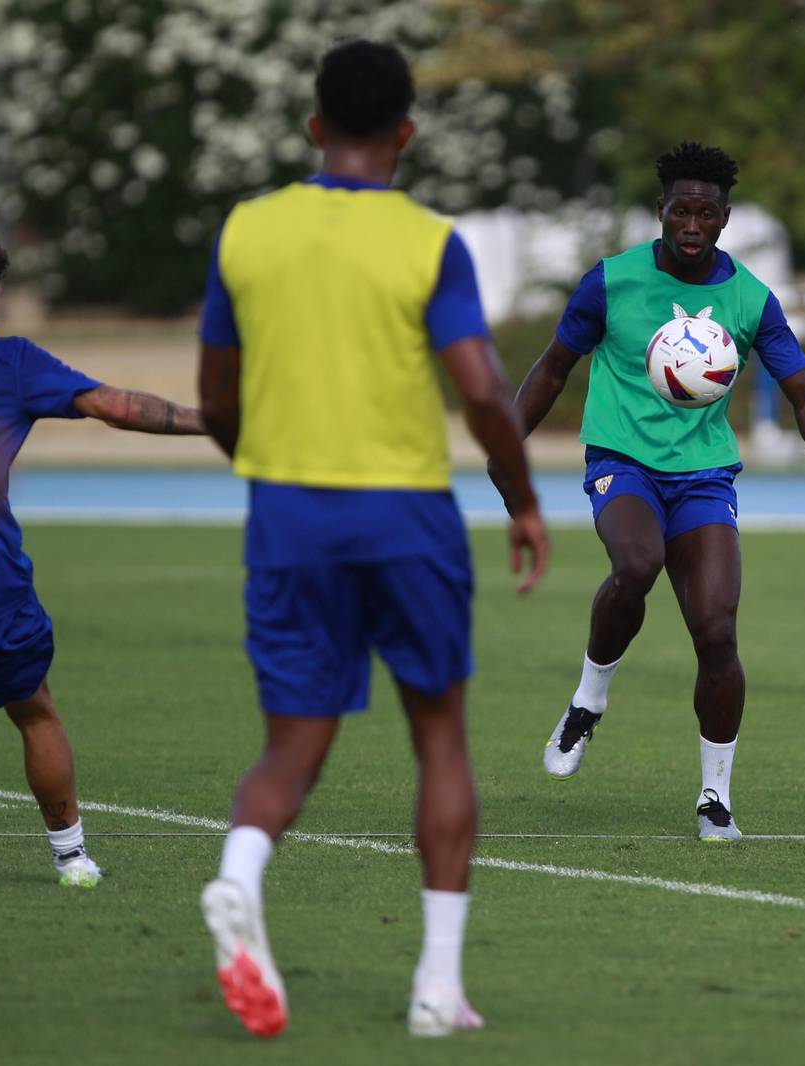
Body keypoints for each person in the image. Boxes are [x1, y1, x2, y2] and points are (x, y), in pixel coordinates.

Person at [196, 39, 548, 1040]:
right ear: (407, 132)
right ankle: (437, 987)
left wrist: (266, 462)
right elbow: (482, 389)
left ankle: (239, 872)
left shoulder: (246, 230)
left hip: (288, 515)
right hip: (405, 519)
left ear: (315, 127)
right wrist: (521, 498)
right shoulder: (429, 242)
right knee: (438, 733)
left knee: (291, 745)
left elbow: (216, 397)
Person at [491, 141, 805, 843]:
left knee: (717, 632)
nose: (692, 225)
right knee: (636, 564)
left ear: (725, 219)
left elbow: (804, 394)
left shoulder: (750, 299)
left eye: (706, 213)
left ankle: (715, 800)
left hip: (704, 475)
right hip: (623, 462)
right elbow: (551, 369)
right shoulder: (610, 282)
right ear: (661, 211)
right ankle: (589, 700)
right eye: (681, 211)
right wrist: (505, 443)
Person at [0, 226, 206, 888]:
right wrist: (210, 421)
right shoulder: (11, 360)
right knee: (34, 710)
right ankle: (72, 859)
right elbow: (117, 408)